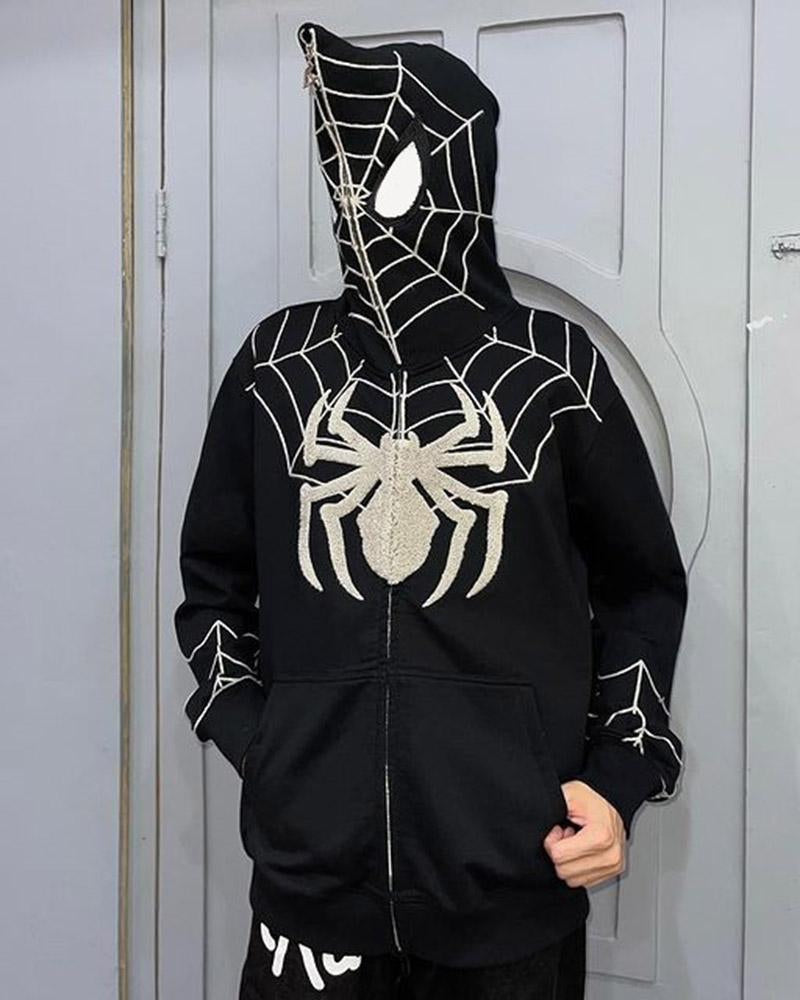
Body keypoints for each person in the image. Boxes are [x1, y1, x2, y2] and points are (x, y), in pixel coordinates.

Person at [174, 21, 688, 1000]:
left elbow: (640, 589)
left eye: (380, 165)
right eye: (340, 165)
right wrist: (261, 744)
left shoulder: (554, 370)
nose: (356, 193)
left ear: (459, 168)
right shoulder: (276, 367)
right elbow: (213, 583)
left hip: (513, 886)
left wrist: (618, 773)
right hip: (307, 893)